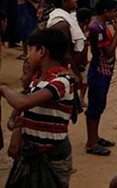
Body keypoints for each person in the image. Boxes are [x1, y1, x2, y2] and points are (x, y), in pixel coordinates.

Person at [0, 29, 74, 187]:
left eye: (31, 50)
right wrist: (17, 130)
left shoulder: (62, 81)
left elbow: (22, 103)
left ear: (41, 51)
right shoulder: (37, 79)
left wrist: (3, 89)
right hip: (33, 152)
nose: (28, 55)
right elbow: (22, 113)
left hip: (52, 155)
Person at [85, 0, 117, 156]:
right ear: (106, 11)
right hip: (99, 70)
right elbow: (109, 52)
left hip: (103, 70)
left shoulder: (99, 26)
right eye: (113, 11)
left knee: (99, 105)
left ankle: (95, 137)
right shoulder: (97, 29)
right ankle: (91, 142)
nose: (115, 14)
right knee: (95, 106)